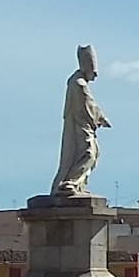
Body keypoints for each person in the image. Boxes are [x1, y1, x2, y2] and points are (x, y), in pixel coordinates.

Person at [51, 45, 112, 196]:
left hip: (82, 125)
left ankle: (79, 183)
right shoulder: (78, 84)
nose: (96, 75)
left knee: (93, 153)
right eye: (94, 70)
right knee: (88, 153)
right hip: (80, 126)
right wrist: (100, 118)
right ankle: (71, 182)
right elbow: (88, 104)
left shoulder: (77, 81)